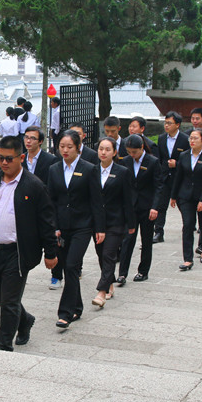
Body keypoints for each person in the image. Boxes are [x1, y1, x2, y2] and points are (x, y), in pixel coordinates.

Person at [0, 135, 59, 351]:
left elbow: (46, 222)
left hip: (18, 252)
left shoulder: (34, 186)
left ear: (21, 158)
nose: (4, 163)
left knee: (9, 301)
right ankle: (25, 320)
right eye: (1, 159)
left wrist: (51, 252)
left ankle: (3, 345)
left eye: (9, 159)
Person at [48, 130, 104, 328]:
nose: (65, 150)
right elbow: (51, 201)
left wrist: (100, 227)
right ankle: (77, 306)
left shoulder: (89, 169)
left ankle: (66, 312)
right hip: (61, 227)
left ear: (78, 147)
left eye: (69, 147)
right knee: (66, 267)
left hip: (83, 225)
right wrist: (53, 226)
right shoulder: (54, 169)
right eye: (62, 146)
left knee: (72, 266)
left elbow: (97, 200)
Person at [91, 137, 135, 307]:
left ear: (115, 152)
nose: (103, 152)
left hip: (116, 221)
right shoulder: (92, 171)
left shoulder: (122, 172)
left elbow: (128, 200)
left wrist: (131, 224)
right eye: (101, 149)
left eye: (107, 149)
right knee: (101, 254)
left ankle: (101, 292)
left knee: (109, 254)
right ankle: (108, 283)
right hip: (97, 222)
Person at [117, 134, 162, 284]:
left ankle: (143, 271)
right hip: (131, 207)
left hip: (147, 207)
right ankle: (122, 273)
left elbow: (158, 187)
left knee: (146, 239)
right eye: (129, 152)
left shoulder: (153, 162)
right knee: (127, 239)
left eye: (134, 152)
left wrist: (155, 207)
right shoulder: (126, 161)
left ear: (141, 148)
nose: (132, 155)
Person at [170, 129, 202, 271]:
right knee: (188, 225)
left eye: (196, 138)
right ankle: (187, 258)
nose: (192, 141)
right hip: (186, 196)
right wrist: (173, 196)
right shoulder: (184, 156)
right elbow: (178, 177)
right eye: (191, 138)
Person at [154, 111, 189, 243]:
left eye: (170, 123)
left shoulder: (185, 140)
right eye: (165, 123)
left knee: (183, 204)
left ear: (177, 125)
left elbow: (189, 160)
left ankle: (189, 227)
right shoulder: (162, 138)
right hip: (164, 177)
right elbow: (160, 158)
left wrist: (178, 164)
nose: (166, 125)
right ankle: (158, 232)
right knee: (161, 205)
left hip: (179, 178)